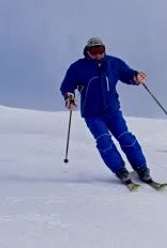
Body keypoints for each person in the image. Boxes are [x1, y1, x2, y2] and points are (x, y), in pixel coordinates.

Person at [60, 37, 153, 186]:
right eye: (94, 51)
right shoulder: (78, 67)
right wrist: (69, 96)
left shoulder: (113, 63)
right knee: (104, 141)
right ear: (88, 52)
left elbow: (127, 74)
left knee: (126, 138)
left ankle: (141, 168)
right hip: (92, 114)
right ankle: (119, 169)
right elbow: (67, 85)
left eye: (100, 51)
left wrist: (135, 77)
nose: (98, 54)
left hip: (112, 111)